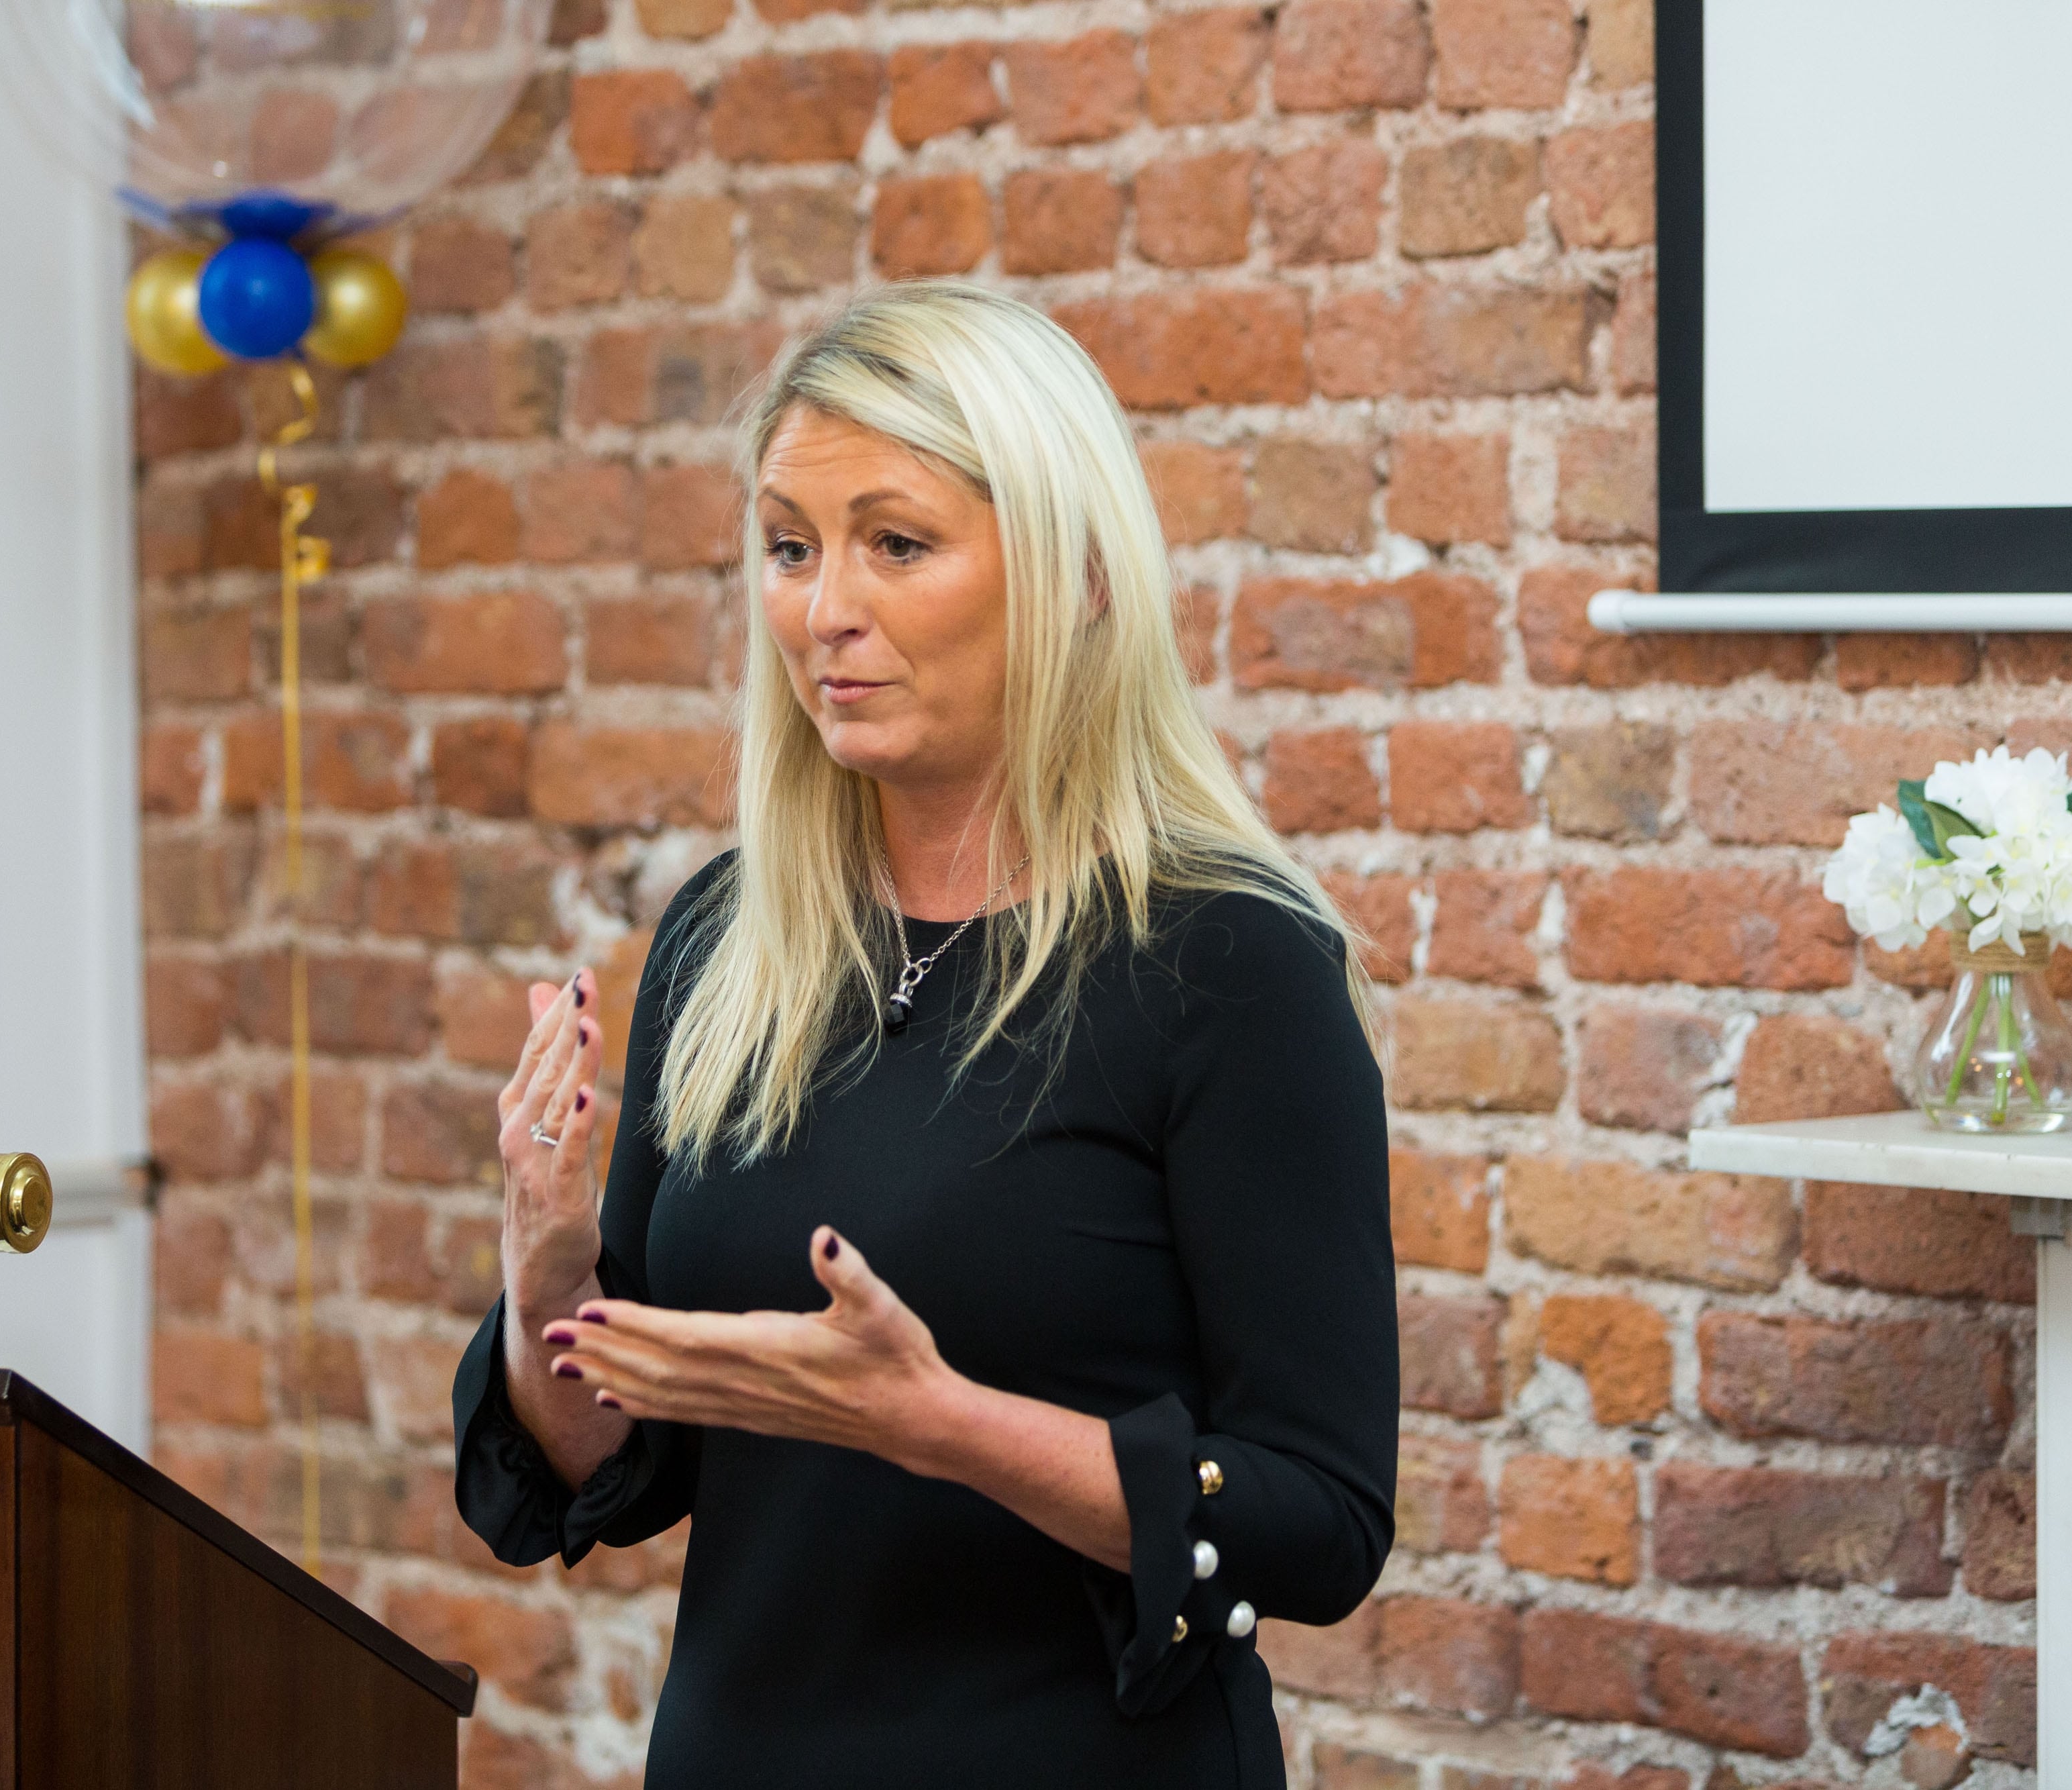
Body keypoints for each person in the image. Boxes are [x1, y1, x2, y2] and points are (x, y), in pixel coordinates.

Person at [452, 279, 1396, 1788]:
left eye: (897, 543)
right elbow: (619, 1469)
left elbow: (1320, 1519)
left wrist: (936, 1421)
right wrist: (546, 1258)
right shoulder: (728, 935)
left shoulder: (1227, 962)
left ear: (1077, 574)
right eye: (788, 547)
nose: (825, 608)